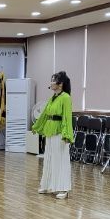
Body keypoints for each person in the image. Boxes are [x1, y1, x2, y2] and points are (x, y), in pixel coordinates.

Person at [31, 71, 74, 199]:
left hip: (60, 133)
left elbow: (67, 117)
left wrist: (67, 134)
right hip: (49, 132)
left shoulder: (66, 97)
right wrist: (36, 126)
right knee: (49, 160)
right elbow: (44, 114)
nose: (51, 83)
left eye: (53, 80)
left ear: (60, 84)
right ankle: (48, 185)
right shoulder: (52, 98)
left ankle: (63, 189)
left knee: (60, 161)